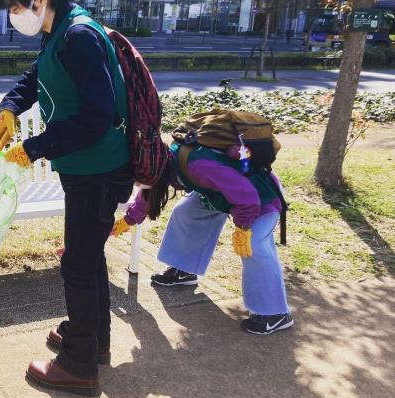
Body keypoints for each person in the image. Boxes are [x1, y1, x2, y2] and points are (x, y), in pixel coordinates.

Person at [0, 0, 132, 396]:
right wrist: (10, 107)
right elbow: (36, 76)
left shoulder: (79, 37)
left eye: (15, 6)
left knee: (78, 263)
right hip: (84, 168)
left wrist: (34, 148)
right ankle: (92, 339)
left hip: (98, 170)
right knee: (88, 258)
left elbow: (98, 116)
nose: (13, 15)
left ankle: (78, 364)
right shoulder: (58, 33)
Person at [115, 141, 293, 335]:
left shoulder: (198, 166)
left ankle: (275, 314)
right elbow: (150, 189)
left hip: (260, 197)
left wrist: (243, 228)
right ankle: (184, 270)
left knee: (255, 245)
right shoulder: (164, 160)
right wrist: (130, 219)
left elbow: (247, 197)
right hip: (220, 193)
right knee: (186, 212)